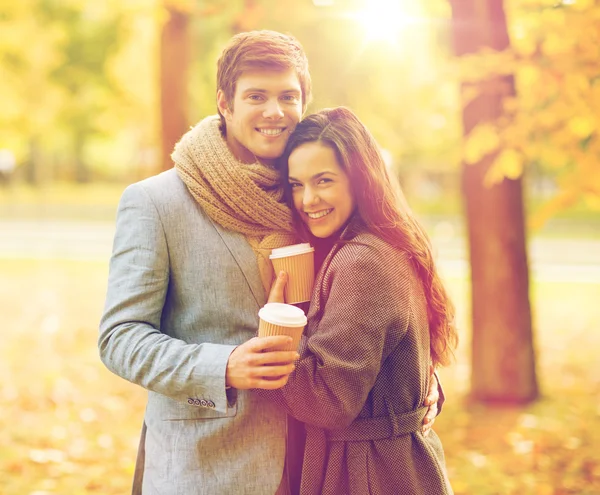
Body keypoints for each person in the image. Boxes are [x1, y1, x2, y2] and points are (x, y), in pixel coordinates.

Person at [99, 31, 441, 495]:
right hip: (209, 465)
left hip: (317, 464)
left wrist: (411, 385)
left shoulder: (313, 192)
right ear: (225, 102)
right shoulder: (157, 202)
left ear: (305, 101)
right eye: (256, 96)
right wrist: (223, 367)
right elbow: (120, 338)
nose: (274, 111)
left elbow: (362, 314)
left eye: (287, 96)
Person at [259, 107, 458, 495]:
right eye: (296, 184)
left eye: (324, 181)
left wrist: (275, 332)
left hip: (369, 475)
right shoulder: (382, 244)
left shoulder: (361, 260)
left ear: (360, 180)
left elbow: (327, 401)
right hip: (393, 465)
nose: (308, 199)